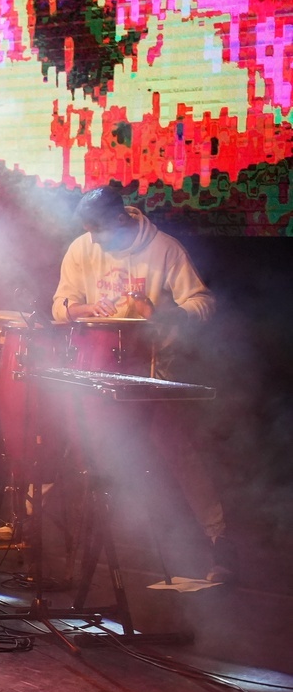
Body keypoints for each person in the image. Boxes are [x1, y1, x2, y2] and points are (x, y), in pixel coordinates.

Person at [51, 185, 232, 581]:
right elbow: (60, 305)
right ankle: (99, 546)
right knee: (98, 454)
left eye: (99, 231)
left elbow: (202, 302)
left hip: (153, 369)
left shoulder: (164, 249)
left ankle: (218, 541)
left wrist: (163, 315)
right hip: (98, 368)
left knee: (178, 453)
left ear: (120, 219)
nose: (94, 239)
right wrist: (83, 308)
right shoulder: (82, 248)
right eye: (88, 231)